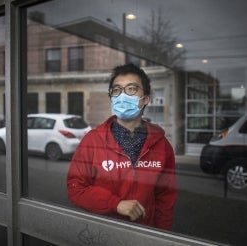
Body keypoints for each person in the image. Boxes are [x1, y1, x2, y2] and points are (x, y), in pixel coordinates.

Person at [67, 63, 178, 230]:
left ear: (146, 98)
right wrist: (115, 204)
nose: (123, 95)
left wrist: (161, 237)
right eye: (117, 90)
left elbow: (165, 199)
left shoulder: (162, 146)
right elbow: (76, 189)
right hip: (103, 235)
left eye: (132, 89)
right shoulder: (93, 141)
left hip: (144, 235)